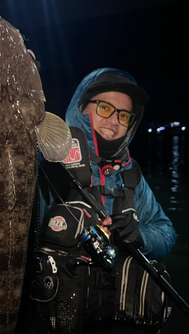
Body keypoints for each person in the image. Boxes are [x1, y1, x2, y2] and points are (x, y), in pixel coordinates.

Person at [38, 67, 176, 261]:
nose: (114, 121)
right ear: (82, 106)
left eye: (124, 115)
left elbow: (166, 232)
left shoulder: (130, 173)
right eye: (105, 108)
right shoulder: (48, 158)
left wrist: (140, 236)